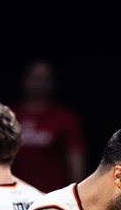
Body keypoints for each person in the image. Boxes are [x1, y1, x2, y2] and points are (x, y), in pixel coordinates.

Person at [11, 59, 86, 193]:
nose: (39, 83)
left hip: (50, 196)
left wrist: (76, 195)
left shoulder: (64, 118)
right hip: (14, 194)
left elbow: (75, 160)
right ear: (25, 79)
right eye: (35, 77)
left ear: (52, 83)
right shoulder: (9, 115)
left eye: (44, 78)